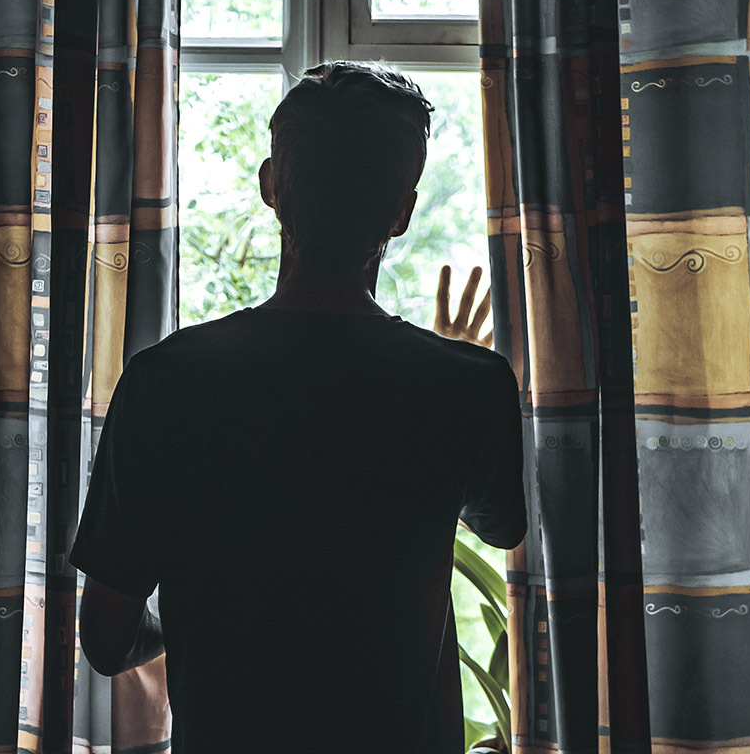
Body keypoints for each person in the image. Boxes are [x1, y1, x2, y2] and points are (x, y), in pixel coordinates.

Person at [69, 62, 527, 753]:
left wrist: (193, 622)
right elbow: (499, 524)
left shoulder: (166, 382)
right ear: (401, 214)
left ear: (270, 186)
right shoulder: (467, 385)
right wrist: (450, 367)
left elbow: (107, 637)